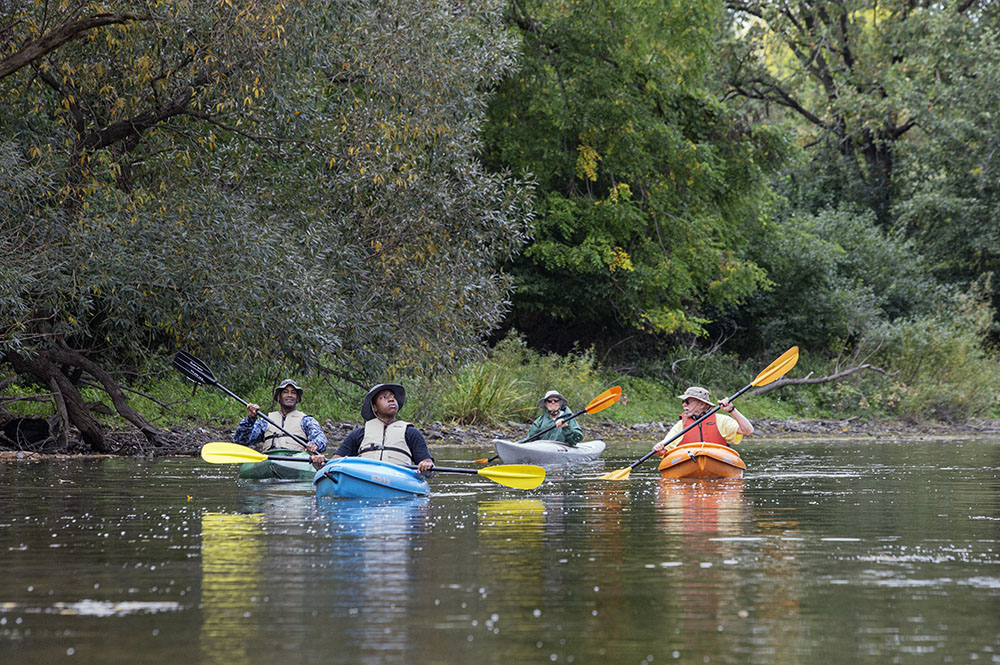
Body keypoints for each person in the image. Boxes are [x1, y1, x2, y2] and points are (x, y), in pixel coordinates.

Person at [316, 383, 434, 473]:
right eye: (384, 397)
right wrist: (320, 463)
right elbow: (333, 463)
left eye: (393, 397)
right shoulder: (359, 434)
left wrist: (426, 466)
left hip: (400, 479)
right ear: (374, 408)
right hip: (366, 478)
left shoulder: (411, 433)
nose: (391, 399)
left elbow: (429, 468)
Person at [234, 379, 328, 467]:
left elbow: (320, 437)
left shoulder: (306, 420)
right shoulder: (265, 421)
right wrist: (250, 419)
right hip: (269, 459)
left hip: (296, 461)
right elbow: (241, 441)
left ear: (297, 398)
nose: (289, 395)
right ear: (279, 397)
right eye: (285, 392)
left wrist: (315, 443)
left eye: (293, 393)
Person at [652, 386, 753, 455]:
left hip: (716, 460)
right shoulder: (681, 425)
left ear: (702, 404)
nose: (684, 405)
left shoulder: (721, 421)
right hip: (688, 461)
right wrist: (659, 450)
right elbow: (663, 450)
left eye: (687, 402)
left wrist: (732, 410)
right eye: (683, 402)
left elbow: (748, 431)